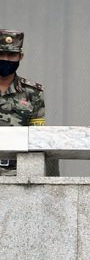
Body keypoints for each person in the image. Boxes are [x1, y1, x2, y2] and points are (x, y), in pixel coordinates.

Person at [0, 29, 46, 176]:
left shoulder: (33, 92)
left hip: (17, 173)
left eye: (12, 55)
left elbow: (37, 136)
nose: (6, 59)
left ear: (21, 57)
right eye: (1, 54)